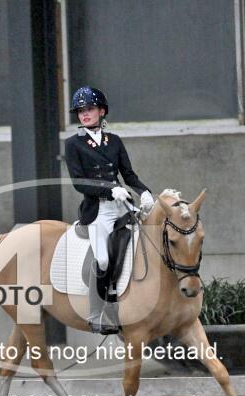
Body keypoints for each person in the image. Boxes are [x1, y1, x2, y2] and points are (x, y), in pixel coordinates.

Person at [64, 86, 155, 334]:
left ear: (102, 111)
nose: (84, 114)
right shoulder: (73, 144)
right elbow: (79, 182)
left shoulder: (114, 141)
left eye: (89, 109)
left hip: (122, 206)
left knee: (145, 244)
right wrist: (109, 190)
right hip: (98, 211)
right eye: (80, 111)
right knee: (103, 259)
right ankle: (96, 315)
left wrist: (145, 192)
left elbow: (128, 175)